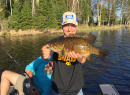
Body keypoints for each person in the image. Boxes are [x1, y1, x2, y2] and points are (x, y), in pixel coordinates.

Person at [41, 11, 92, 95]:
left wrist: (78, 57)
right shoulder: (55, 42)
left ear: (77, 26)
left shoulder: (80, 40)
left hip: (77, 90)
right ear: (62, 25)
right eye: (66, 25)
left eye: (73, 25)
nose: (69, 29)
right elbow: (47, 54)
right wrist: (44, 53)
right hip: (57, 90)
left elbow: (83, 60)